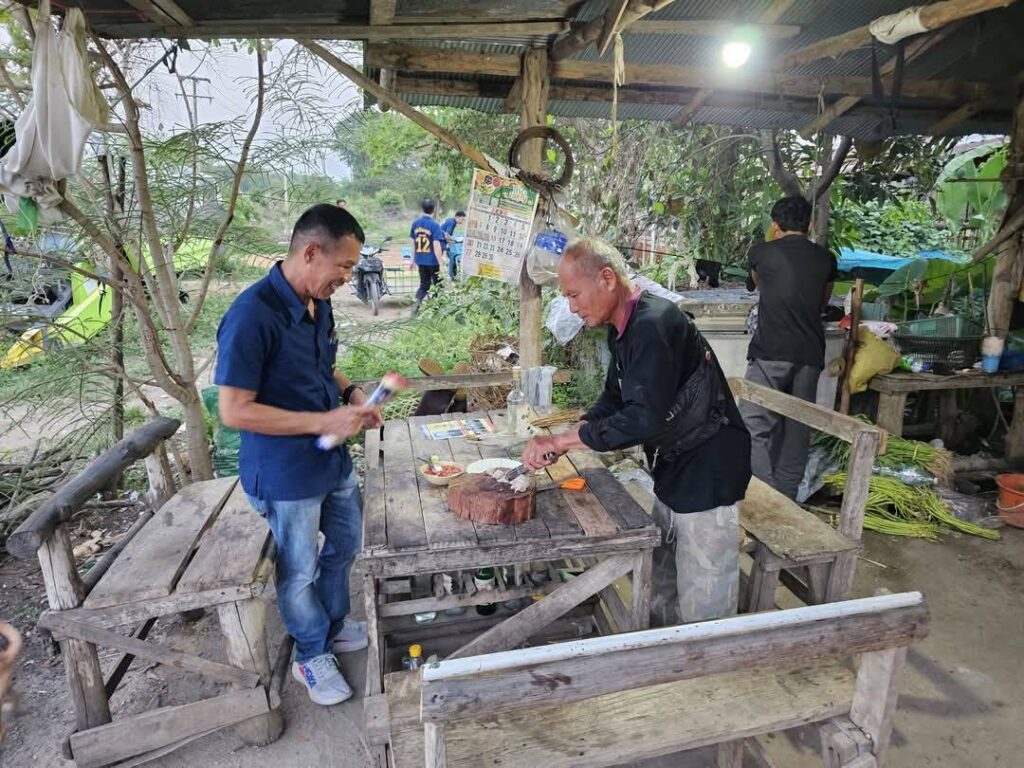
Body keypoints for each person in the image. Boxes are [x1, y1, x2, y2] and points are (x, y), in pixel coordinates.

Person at [520, 237, 751, 626]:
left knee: (705, 597)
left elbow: (642, 419)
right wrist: (575, 434)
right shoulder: (622, 327)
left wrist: (560, 439)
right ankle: (662, 647)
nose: (572, 307)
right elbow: (615, 397)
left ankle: (706, 659)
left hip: (708, 464)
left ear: (607, 278)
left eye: (574, 295)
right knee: (662, 575)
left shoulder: (654, 324)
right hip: (674, 461)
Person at [215, 204, 383, 706]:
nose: (347, 278)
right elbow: (234, 410)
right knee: (300, 568)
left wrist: (352, 393)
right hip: (286, 473)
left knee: (346, 545)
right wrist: (322, 422)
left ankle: (331, 625)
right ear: (311, 252)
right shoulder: (251, 315)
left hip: (332, 461)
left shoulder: (317, 301)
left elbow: (323, 366)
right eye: (344, 266)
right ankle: (310, 654)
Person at [741, 195, 837, 500]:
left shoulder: (761, 253)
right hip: (809, 355)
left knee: (752, 425)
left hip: (771, 352)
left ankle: (766, 497)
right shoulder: (826, 259)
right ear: (809, 224)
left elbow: (759, 285)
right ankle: (787, 500)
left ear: (774, 226)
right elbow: (821, 303)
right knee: (796, 431)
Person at [410, 198, 446, 315]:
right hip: (433, 262)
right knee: (439, 286)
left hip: (421, 261)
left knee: (424, 285)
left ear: (422, 209)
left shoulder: (415, 224)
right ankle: (437, 310)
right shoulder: (435, 225)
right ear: (434, 210)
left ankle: (416, 306)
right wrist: (441, 263)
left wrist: (412, 260)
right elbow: (436, 245)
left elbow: (413, 243)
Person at [440, 210, 466, 280]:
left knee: (450, 256)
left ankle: (452, 275)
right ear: (457, 217)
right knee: (452, 256)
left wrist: (453, 241)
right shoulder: (452, 223)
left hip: (441, 240)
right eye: (462, 219)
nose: (462, 221)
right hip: (441, 241)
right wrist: (453, 241)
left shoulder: (450, 220)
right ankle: (452, 276)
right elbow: (446, 235)